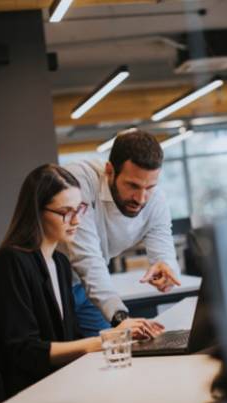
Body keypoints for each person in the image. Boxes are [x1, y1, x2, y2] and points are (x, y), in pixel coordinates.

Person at [0, 164, 162, 397]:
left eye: (80, 209)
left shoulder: (59, 263)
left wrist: (120, 336)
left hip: (61, 382)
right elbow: (25, 351)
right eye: (66, 212)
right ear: (37, 212)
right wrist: (103, 341)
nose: (77, 221)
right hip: (35, 393)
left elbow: (70, 338)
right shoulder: (11, 263)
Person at [67, 129, 181, 336]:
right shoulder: (78, 180)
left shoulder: (155, 200)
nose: (141, 198)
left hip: (89, 290)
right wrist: (121, 317)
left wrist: (167, 270)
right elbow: (87, 257)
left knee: (103, 352)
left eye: (150, 187)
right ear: (109, 170)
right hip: (50, 285)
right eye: (132, 186)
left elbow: (163, 250)